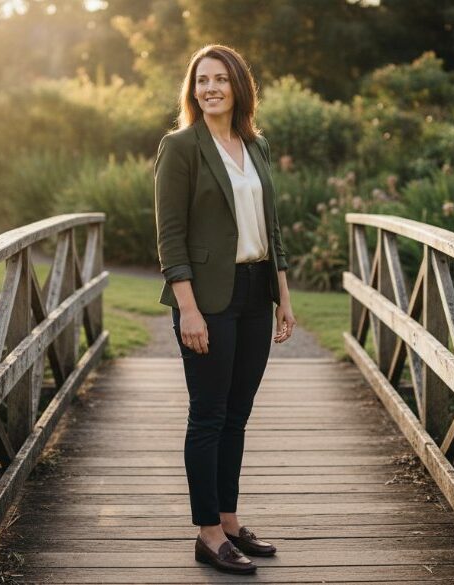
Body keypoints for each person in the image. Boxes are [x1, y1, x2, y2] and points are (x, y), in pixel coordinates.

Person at [153, 44, 297, 575]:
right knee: (208, 416)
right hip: (207, 300)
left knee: (237, 416)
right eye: (201, 80)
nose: (209, 88)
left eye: (220, 79)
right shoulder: (181, 146)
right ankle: (208, 533)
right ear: (193, 90)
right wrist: (188, 310)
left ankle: (230, 521)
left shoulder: (253, 145)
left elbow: (272, 229)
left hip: (257, 293)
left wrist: (283, 294)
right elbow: (170, 237)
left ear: (238, 86)